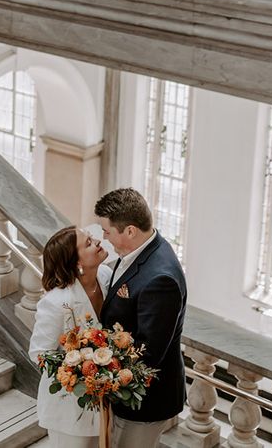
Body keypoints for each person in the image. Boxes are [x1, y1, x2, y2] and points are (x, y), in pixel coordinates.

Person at [96, 187, 187, 448]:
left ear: (130, 231)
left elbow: (147, 352)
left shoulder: (160, 279)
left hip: (145, 401)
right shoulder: (143, 249)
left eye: (107, 231)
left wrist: (100, 368)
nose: (104, 238)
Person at [29, 226, 113, 448]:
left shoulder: (105, 276)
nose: (96, 241)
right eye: (87, 243)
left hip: (103, 402)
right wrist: (79, 370)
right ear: (76, 263)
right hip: (68, 408)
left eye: (91, 238)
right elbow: (39, 353)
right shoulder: (57, 302)